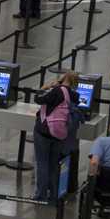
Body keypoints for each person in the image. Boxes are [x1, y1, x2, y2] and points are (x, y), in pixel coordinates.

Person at [32, 70, 80, 203]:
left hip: (44, 132)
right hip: (60, 134)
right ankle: (54, 195)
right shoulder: (75, 95)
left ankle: (41, 195)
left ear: (63, 78)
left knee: (42, 163)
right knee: (54, 164)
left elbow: (39, 99)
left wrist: (44, 88)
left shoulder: (57, 91)